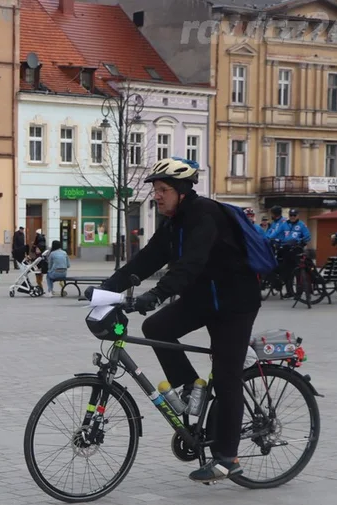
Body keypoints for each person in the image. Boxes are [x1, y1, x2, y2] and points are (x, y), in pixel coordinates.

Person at [94, 157, 261, 483]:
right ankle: (190, 387)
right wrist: (105, 290)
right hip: (203, 299)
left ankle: (228, 458)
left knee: (226, 376)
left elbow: (192, 264)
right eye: (155, 190)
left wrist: (156, 294)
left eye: (163, 190)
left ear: (182, 191)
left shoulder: (205, 216)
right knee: (156, 327)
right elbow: (146, 260)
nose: (157, 196)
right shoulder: (173, 224)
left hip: (234, 303)